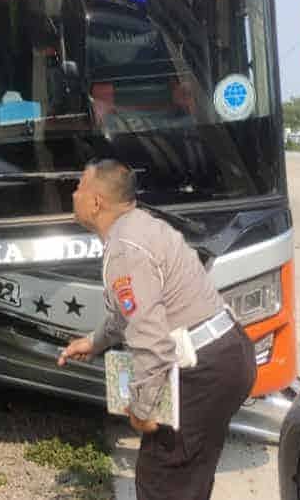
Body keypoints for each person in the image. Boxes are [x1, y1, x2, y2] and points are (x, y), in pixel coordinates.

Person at [56, 159, 256, 500]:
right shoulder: (142, 226)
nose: (73, 193)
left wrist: (142, 407)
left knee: (162, 481)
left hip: (201, 371)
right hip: (226, 353)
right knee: (188, 480)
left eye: (78, 187)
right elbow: (131, 314)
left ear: (96, 202)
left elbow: (151, 342)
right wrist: (95, 341)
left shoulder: (126, 251)